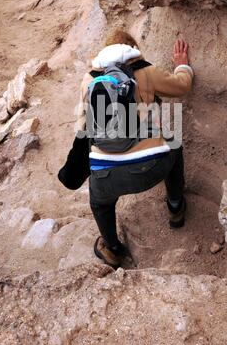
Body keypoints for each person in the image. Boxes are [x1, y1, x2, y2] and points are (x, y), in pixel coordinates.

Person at [76, 30, 194, 268]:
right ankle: (175, 207)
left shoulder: (89, 81)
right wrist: (182, 66)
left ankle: (112, 249)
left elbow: (83, 128)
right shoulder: (144, 71)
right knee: (173, 144)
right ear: (132, 51)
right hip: (153, 166)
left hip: (107, 177)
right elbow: (182, 87)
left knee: (100, 203)